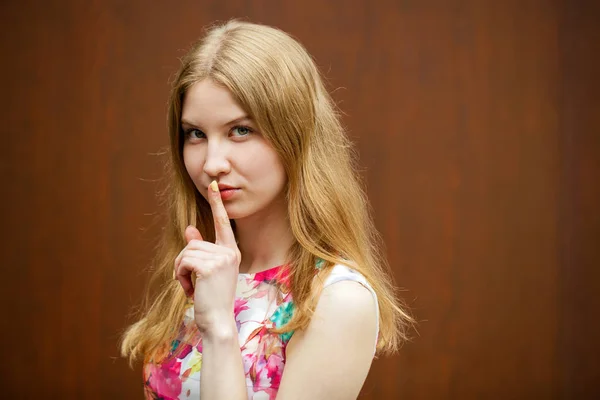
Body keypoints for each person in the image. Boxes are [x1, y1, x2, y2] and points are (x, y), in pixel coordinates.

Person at [121, 20, 413, 400]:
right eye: (196, 133)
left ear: (294, 134)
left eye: (240, 130)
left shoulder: (337, 299)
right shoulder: (207, 266)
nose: (212, 163)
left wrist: (220, 328)